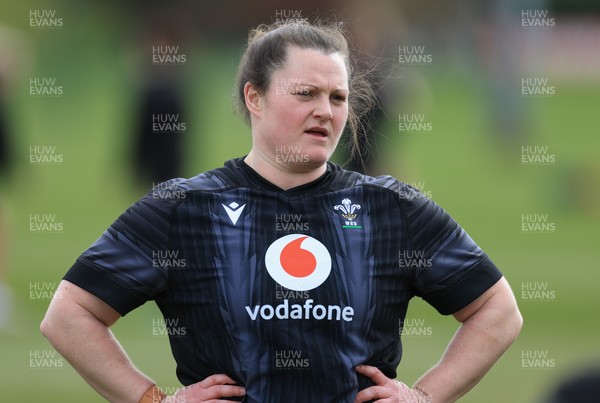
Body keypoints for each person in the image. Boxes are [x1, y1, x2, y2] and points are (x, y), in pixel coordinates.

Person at [40, 20, 522, 402]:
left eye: (338, 98)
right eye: (305, 93)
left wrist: (423, 396)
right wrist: (153, 399)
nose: (326, 111)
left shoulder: (392, 207)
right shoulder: (183, 208)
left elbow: (497, 311)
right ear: (255, 97)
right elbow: (69, 314)